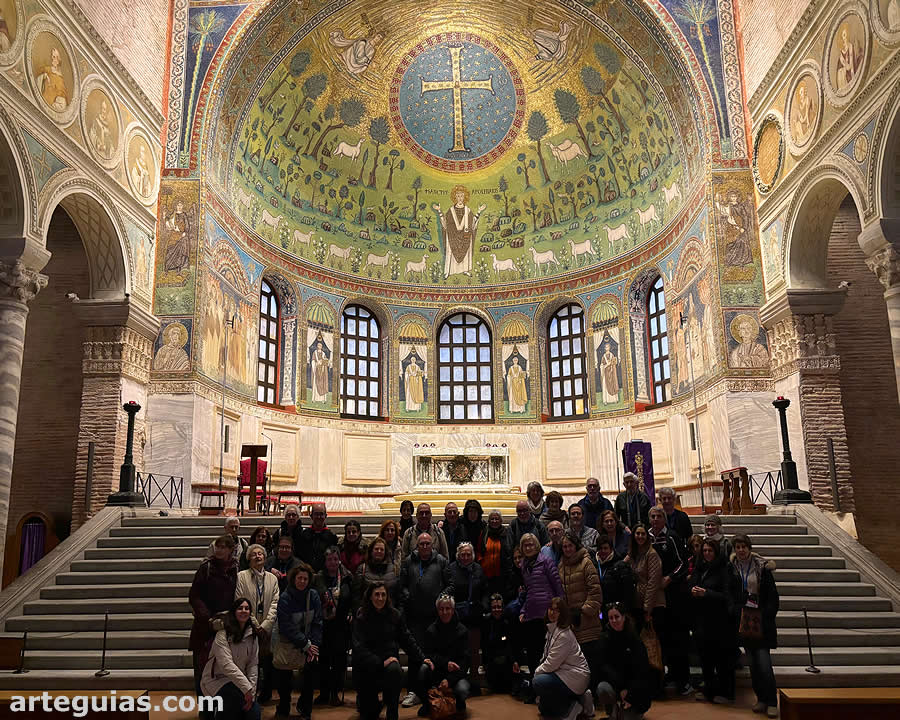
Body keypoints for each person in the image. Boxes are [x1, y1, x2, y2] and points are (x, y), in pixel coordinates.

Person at [353, 582, 428, 720]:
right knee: (369, 714)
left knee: (395, 669)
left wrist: (422, 658)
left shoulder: (395, 615)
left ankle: (392, 711)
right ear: (370, 596)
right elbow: (359, 648)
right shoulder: (361, 615)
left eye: (383, 595)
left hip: (389, 666)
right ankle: (373, 703)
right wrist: (380, 662)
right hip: (367, 667)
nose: (380, 598)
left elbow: (407, 639)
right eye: (376, 594)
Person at [398, 533, 450, 708]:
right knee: (415, 654)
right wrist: (409, 596)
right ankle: (414, 691)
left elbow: (450, 584)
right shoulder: (408, 561)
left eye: (428, 543)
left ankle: (432, 689)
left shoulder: (441, 561)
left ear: (432, 544)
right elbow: (402, 585)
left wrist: (441, 598)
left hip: (435, 616)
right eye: (422, 544)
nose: (425, 546)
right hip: (414, 616)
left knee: (434, 652)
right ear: (417, 545)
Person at [731, 534, 779, 718]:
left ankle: (771, 701)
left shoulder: (762, 568)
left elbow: (773, 597)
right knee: (753, 664)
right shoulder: (732, 568)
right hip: (744, 618)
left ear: (749, 548)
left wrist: (765, 615)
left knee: (764, 664)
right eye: (738, 547)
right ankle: (761, 699)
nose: (741, 550)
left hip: (761, 619)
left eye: (744, 546)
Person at [648, 506, 691, 695]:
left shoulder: (672, 537)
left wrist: (670, 578)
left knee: (678, 638)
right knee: (662, 638)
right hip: (656, 597)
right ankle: (668, 676)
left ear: (664, 519)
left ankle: (684, 681)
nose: (655, 519)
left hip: (674, 594)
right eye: (653, 516)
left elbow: (683, 563)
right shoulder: (646, 537)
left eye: (659, 516)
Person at [190, 535, 239, 700]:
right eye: (217, 547)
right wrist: (207, 617)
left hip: (228, 625)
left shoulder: (236, 569)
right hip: (205, 626)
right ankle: (206, 707)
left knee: (225, 670)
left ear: (231, 550)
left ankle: (225, 706)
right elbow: (194, 596)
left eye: (223, 547)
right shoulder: (206, 568)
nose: (219, 550)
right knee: (202, 669)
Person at [272, 563, 323, 720]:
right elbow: (286, 626)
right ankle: (284, 706)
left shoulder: (313, 596)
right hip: (288, 642)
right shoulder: (285, 597)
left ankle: (305, 708)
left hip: (309, 644)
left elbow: (317, 622)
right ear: (293, 579)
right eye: (299, 578)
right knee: (284, 679)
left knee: (310, 678)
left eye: (305, 579)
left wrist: (314, 645)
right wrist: (306, 644)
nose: (302, 581)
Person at [690, 539, 738, 705]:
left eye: (710, 550)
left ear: (716, 552)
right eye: (704, 551)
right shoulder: (700, 566)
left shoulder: (725, 568)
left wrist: (706, 593)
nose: (707, 553)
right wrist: (692, 589)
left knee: (722, 660)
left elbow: (727, 596)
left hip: (720, 622)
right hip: (702, 621)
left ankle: (726, 693)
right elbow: (692, 582)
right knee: (706, 660)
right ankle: (709, 690)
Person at [518, 533, 563, 703]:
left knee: (547, 654)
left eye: (531, 544)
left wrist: (560, 610)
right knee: (532, 654)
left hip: (546, 615)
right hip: (531, 614)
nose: (528, 547)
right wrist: (523, 610)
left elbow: (557, 587)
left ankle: (546, 690)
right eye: (525, 545)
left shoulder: (546, 561)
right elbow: (529, 590)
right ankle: (534, 688)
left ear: (537, 545)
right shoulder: (524, 565)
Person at [201, 597, 261, 720]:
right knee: (232, 703)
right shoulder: (222, 634)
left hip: (240, 681)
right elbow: (226, 665)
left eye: (247, 608)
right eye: (240, 608)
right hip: (218, 679)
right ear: (234, 612)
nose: (243, 611)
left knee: (254, 711)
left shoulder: (253, 635)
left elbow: (253, 664)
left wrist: (252, 691)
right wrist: (246, 688)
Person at [533, 597, 592, 720]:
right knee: (543, 708)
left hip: (576, 676)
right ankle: (580, 699)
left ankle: (571, 708)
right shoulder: (552, 630)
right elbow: (546, 657)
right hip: (564, 673)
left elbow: (551, 664)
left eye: (557, 610)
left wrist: (536, 672)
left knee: (538, 682)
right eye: (551, 609)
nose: (552, 612)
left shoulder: (564, 634)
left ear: (563, 613)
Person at [558, 531, 604, 687]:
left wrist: (583, 611)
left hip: (588, 623)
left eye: (570, 546)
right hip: (571, 624)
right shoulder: (561, 565)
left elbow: (595, 593)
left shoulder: (586, 563)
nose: (567, 549)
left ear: (576, 546)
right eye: (564, 547)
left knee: (591, 664)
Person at [594, 602, 653, 720]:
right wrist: (621, 689)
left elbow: (641, 670)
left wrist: (629, 693)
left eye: (617, 617)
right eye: (611, 618)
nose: (614, 620)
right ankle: (614, 710)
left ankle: (628, 710)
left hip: (634, 688)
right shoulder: (604, 638)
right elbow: (603, 666)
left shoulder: (635, 639)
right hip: (617, 685)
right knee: (602, 688)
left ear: (624, 617)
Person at [236, 544, 279, 703]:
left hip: (267, 628)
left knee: (267, 662)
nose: (257, 556)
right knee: (248, 662)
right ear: (248, 559)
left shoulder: (272, 578)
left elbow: (275, 603)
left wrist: (266, 625)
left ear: (265, 558)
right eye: (254, 554)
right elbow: (239, 600)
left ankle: (266, 693)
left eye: (260, 553)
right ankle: (247, 695)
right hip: (247, 626)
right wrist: (254, 624)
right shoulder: (241, 576)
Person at [418, 595, 471, 717]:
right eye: (441, 609)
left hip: (456, 676)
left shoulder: (463, 631)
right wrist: (446, 664)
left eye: (448, 608)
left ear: (453, 610)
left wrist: (449, 680)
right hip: (437, 673)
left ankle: (459, 702)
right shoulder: (431, 630)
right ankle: (427, 704)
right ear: (438, 611)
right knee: (423, 669)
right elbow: (428, 655)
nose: (445, 612)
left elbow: (465, 661)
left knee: (462, 689)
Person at [313, 547, 352, 706]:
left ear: (339, 560)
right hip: (323, 625)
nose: (333, 562)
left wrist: (351, 612)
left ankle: (335, 693)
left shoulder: (347, 577)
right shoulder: (318, 578)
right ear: (325, 561)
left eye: (335, 559)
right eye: (329, 559)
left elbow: (352, 597)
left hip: (341, 625)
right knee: (323, 661)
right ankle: (324, 693)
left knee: (339, 662)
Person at [446, 542, 488, 689]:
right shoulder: (451, 569)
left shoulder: (478, 569)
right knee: (458, 651)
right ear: (458, 555)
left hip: (474, 616)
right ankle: (458, 680)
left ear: (473, 555)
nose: (465, 557)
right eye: (462, 554)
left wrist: (483, 606)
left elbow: (484, 590)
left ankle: (474, 681)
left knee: (474, 651)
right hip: (457, 617)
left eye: (468, 554)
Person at [433, 185, 486, 278]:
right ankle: (448, 271)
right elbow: (445, 223)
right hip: (453, 235)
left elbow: (473, 223)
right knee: (450, 250)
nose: (460, 198)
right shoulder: (451, 210)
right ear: (455, 197)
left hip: (465, 236)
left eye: (462, 196)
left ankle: (465, 270)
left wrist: (479, 211)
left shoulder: (467, 210)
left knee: (466, 249)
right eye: (458, 196)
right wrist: (439, 211)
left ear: (465, 197)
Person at [482, 593, 520, 695]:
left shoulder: (508, 620)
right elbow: (484, 644)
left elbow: (511, 643)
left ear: (502, 607)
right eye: (494, 607)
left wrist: (514, 660)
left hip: (506, 657)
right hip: (492, 658)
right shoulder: (486, 621)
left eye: (499, 607)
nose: (496, 610)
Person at [628, 524, 663, 630]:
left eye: (643, 534)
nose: (640, 536)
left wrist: (647, 608)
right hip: (638, 603)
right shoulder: (633, 553)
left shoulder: (651, 554)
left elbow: (653, 582)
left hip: (653, 604)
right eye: (637, 533)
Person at [354, 536, 400, 610]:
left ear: (385, 552)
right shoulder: (362, 569)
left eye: (382, 549)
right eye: (376, 549)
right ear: (371, 551)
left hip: (389, 613)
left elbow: (398, 594)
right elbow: (356, 596)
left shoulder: (394, 569)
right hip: (367, 613)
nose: (379, 551)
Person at [481, 510, 513, 600]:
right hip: (486, 575)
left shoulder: (507, 533)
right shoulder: (484, 533)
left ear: (501, 521)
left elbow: (510, 550)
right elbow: (479, 549)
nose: (494, 521)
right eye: (492, 519)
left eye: (497, 519)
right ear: (488, 521)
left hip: (502, 575)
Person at [298, 503, 339, 573]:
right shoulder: (303, 535)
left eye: (321, 514)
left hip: (325, 574)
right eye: (316, 514)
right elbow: (299, 556)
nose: (319, 517)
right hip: (306, 573)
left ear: (325, 516)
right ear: (311, 516)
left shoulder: (332, 537)